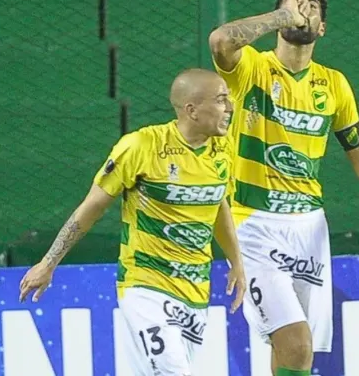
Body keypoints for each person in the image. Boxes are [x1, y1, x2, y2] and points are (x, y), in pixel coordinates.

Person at [208, 0, 359, 375]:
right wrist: (280, 16)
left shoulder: (334, 84)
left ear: (322, 27)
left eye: (311, 7)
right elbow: (221, 40)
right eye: (294, 5)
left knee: (291, 352)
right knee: (296, 341)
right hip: (253, 224)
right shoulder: (253, 67)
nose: (302, 10)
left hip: (309, 227)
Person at [18, 68, 246, 376]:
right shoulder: (142, 146)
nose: (230, 107)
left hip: (195, 290)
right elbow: (92, 208)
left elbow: (220, 205)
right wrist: (49, 262)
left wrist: (237, 262)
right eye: (221, 100)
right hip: (145, 286)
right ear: (191, 109)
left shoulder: (223, 149)